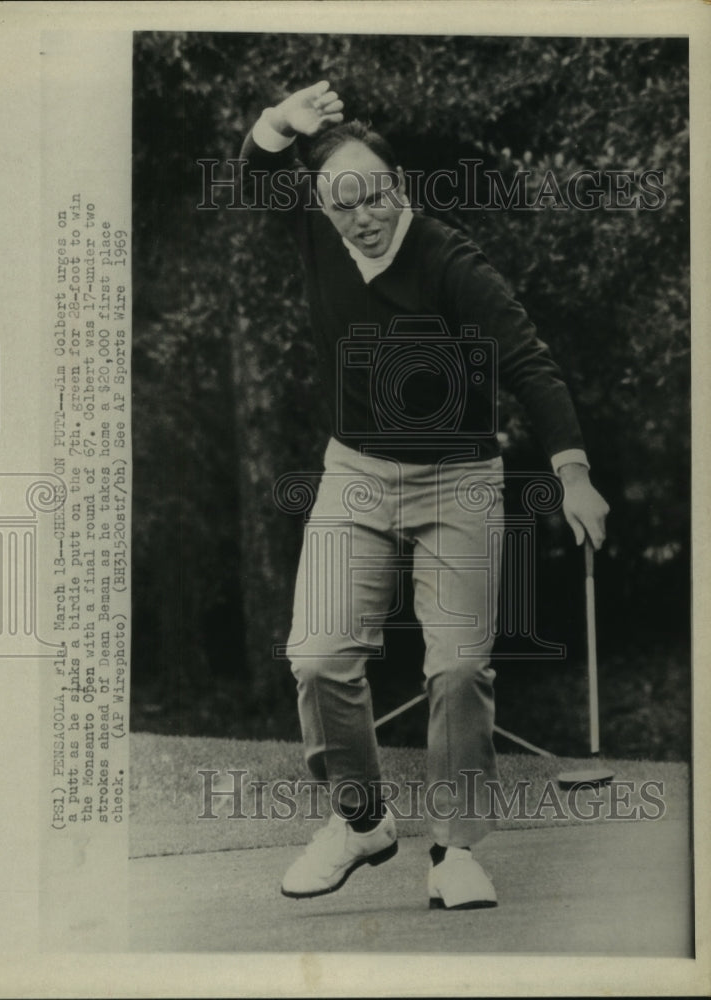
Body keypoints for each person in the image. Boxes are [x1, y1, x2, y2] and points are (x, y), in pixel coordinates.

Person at [239, 81, 609, 909]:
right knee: (318, 657)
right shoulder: (316, 232)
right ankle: (362, 822)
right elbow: (255, 168)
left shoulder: (450, 262)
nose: (362, 216)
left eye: (374, 196)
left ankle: (456, 850)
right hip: (355, 475)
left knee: (460, 670)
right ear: (322, 208)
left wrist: (573, 473)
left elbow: (529, 362)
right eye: (342, 205)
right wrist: (277, 122)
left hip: (458, 480)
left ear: (399, 186)